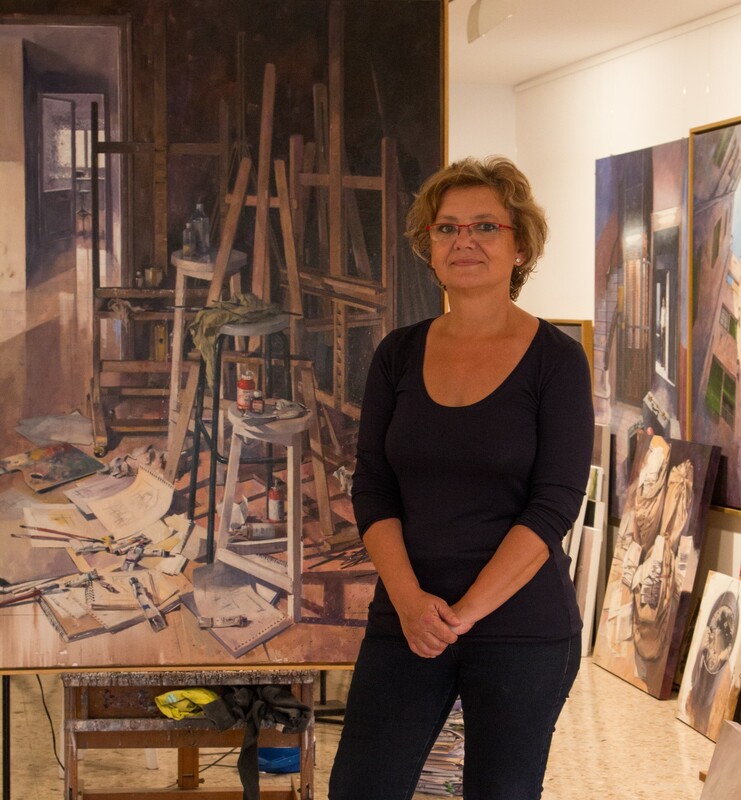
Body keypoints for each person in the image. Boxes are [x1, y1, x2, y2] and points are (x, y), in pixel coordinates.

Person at [328, 156, 594, 800]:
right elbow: (373, 486)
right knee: (361, 788)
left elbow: (554, 504)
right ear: (430, 247)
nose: (463, 241)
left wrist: (463, 615)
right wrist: (411, 603)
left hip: (521, 625)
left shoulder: (557, 360)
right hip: (408, 616)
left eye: (485, 226)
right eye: (446, 228)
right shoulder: (398, 353)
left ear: (520, 246)